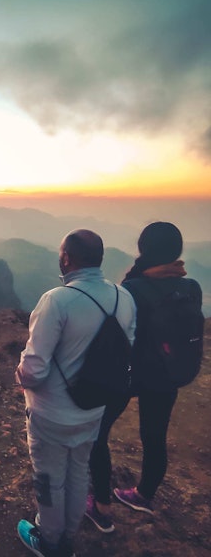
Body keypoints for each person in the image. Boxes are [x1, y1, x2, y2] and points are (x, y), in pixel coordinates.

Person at [15, 229, 136, 557]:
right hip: (94, 409)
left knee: (49, 478)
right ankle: (68, 535)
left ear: (66, 258)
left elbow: (34, 369)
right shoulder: (123, 298)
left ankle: (50, 542)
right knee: (79, 471)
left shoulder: (56, 300)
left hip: (52, 414)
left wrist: (20, 375)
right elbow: (126, 351)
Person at [87, 222, 203, 530]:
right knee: (155, 437)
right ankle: (143, 495)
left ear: (144, 249)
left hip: (130, 374)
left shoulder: (133, 289)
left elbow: (115, 333)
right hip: (167, 374)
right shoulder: (191, 287)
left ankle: (100, 503)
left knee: (96, 433)